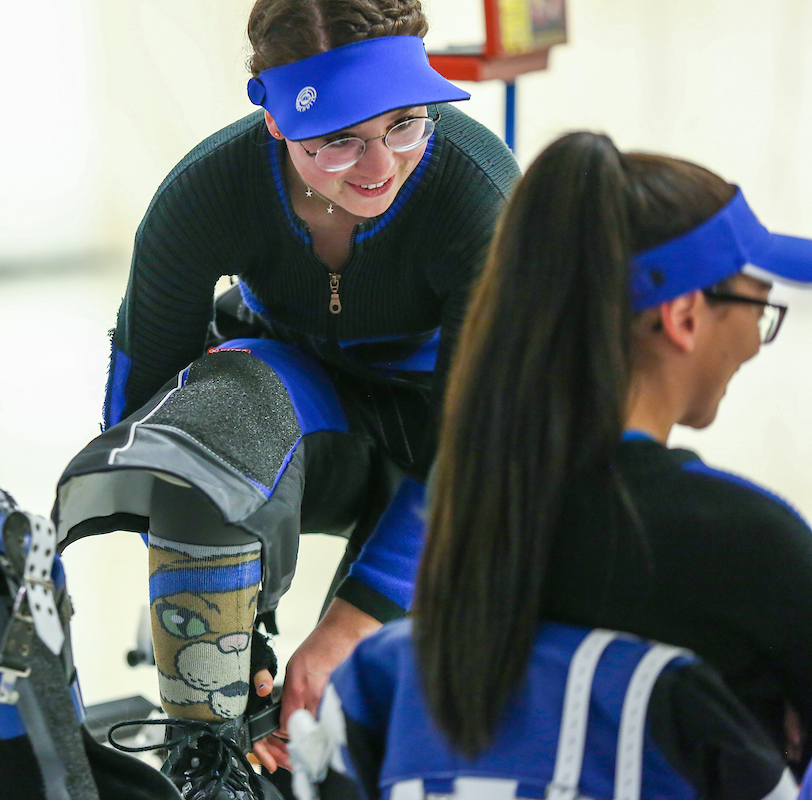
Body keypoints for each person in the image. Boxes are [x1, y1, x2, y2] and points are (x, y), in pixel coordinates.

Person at [54, 1, 518, 797]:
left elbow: (485, 443)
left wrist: (353, 621)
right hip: (295, 412)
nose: (378, 166)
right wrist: (226, 629)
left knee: (361, 723)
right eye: (337, 140)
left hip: (451, 435)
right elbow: (144, 420)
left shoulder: (477, 192)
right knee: (208, 418)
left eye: (406, 123)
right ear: (274, 120)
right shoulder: (206, 192)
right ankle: (210, 762)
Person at [326, 132, 812, 796]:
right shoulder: (751, 542)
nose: (757, 342)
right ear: (684, 317)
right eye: (760, 311)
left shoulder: (463, 511)